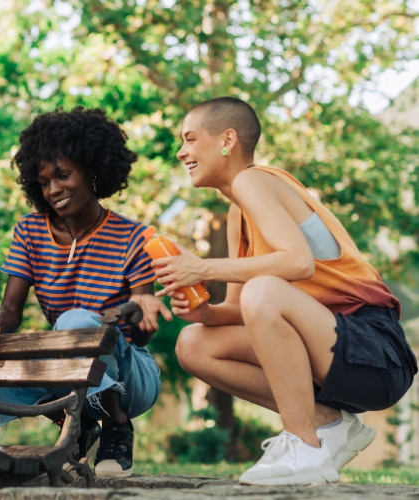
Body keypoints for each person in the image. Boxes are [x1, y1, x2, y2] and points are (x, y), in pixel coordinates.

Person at [162, 97, 417, 485]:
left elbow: (297, 263)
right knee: (194, 344)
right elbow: (238, 307)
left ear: (227, 139)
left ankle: (305, 445)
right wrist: (205, 314)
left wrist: (203, 266)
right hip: (331, 356)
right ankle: (327, 422)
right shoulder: (237, 213)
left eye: (191, 139)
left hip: (376, 353)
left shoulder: (255, 179)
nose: (182, 151)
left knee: (263, 290)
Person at [0, 107, 171, 478]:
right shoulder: (29, 232)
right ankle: (78, 421)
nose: (53, 189)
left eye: (63, 175)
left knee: (74, 319)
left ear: (94, 169)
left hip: (132, 375)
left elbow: (142, 331)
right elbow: (10, 312)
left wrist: (138, 311)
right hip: (69, 371)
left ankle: (116, 425)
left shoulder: (133, 237)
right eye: (43, 182)